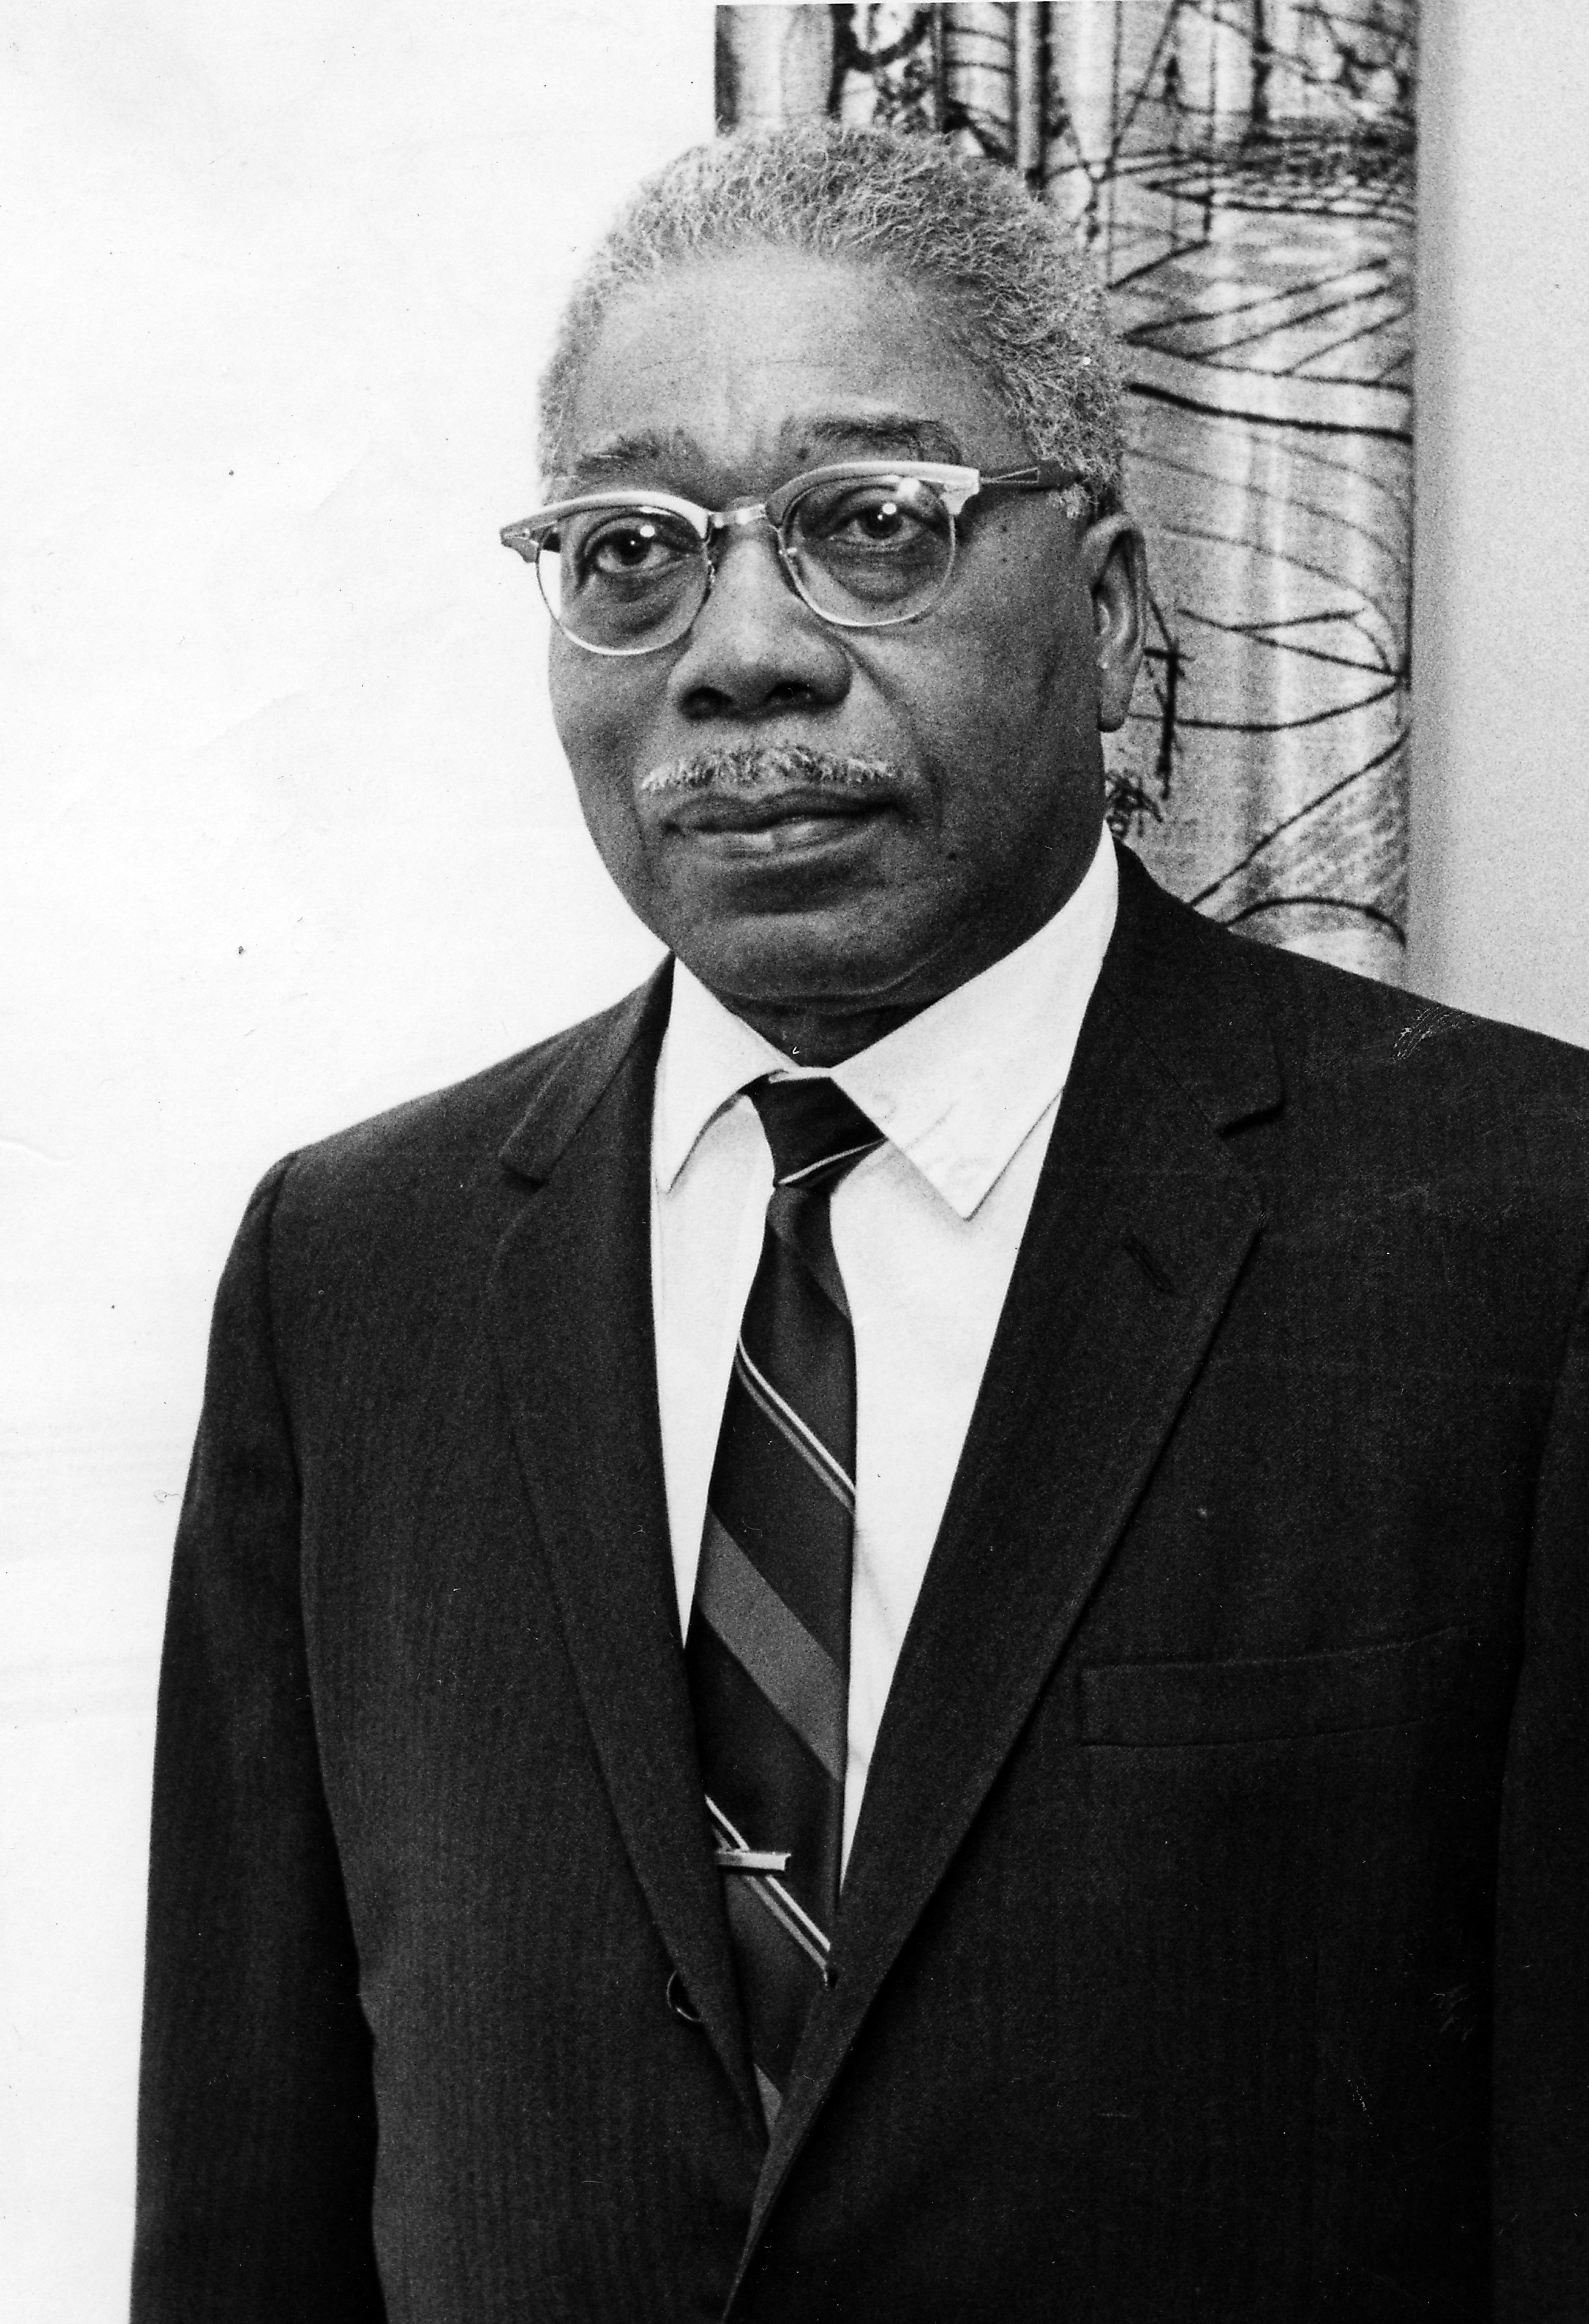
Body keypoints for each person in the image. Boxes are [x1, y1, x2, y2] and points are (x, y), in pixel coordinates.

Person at [131, 124, 1588, 2323]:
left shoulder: (1510, 1229)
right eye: (630, 550)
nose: (738, 654)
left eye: (867, 527)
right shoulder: (354, 1280)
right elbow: (252, 2215)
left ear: (1104, 612)